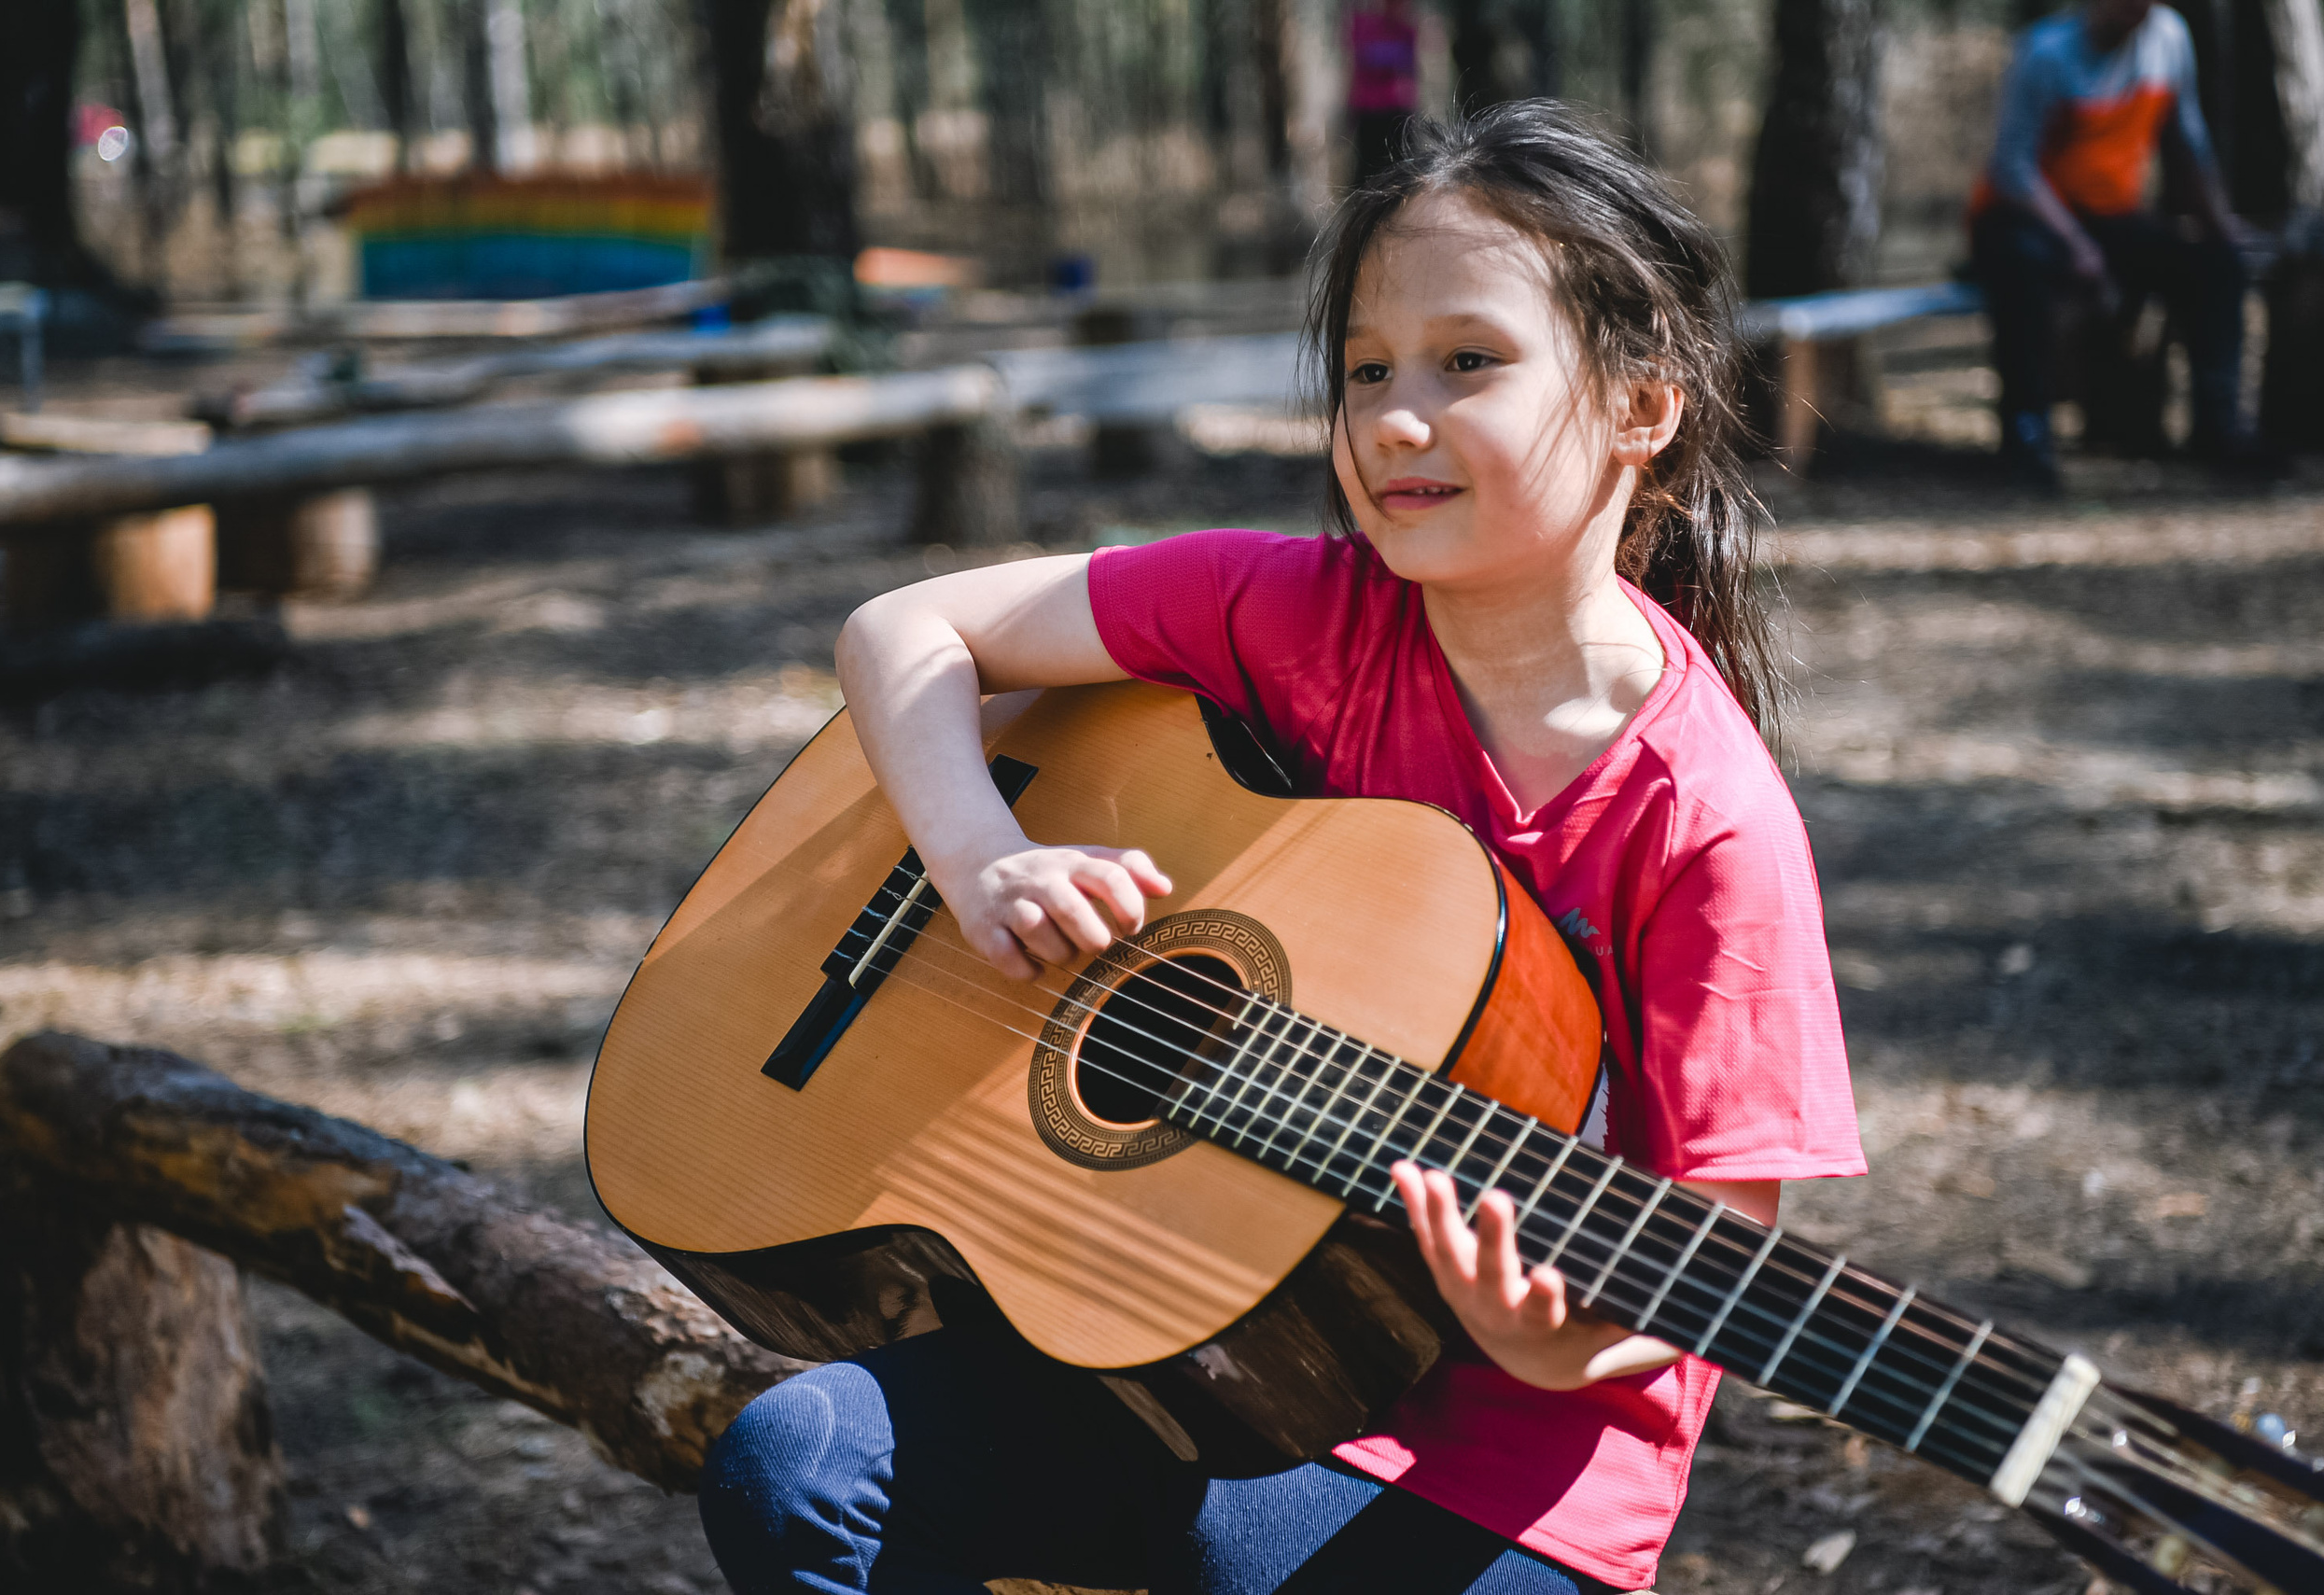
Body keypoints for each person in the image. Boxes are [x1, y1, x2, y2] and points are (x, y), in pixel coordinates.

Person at [699, 102, 1867, 1595]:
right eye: (1367, 369)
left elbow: (1722, 1255)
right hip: (1185, 1320)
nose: (1394, 416)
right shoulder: (1297, 615)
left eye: (1469, 362)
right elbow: (906, 628)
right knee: (797, 1469)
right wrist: (979, 853)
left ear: (1643, 409)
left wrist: (1556, 1331)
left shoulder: (1706, 817)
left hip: (1510, 1472)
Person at [1970, 0, 2251, 492]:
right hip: (2023, 216)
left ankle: (2218, 425)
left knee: (2215, 265)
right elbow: (2012, 167)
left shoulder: (2168, 39)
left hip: (2111, 216)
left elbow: (2187, 141)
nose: (2131, 13)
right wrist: (2076, 244)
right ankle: (2027, 431)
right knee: (2021, 271)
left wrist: (2221, 226)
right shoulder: (2045, 53)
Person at [1350, 0, 1421, 188]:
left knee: (1401, 169)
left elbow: (1407, 66)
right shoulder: (1364, 24)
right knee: (1367, 169)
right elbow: (1364, 58)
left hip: (1397, 111)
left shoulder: (1407, 30)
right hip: (1368, 111)